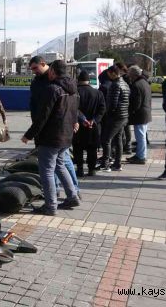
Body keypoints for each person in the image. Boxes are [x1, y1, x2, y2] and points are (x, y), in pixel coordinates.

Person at [22, 58, 79, 215]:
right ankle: (72, 196)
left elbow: (43, 116)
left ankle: (50, 205)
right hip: (66, 135)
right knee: (60, 166)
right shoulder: (73, 89)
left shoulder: (53, 89)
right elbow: (74, 111)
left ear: (52, 71)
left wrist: (29, 135)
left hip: (51, 136)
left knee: (47, 170)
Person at [74, 70, 106, 177]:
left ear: (78, 80)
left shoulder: (75, 92)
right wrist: (94, 120)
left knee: (78, 148)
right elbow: (102, 109)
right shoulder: (98, 93)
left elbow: (73, 109)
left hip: (78, 125)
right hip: (93, 126)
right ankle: (91, 169)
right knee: (92, 148)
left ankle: (80, 169)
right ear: (89, 81)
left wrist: (82, 120)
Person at [100, 65, 130, 172]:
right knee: (118, 140)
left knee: (106, 139)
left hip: (115, 117)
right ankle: (117, 164)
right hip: (123, 116)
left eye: (108, 74)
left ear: (113, 73)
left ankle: (106, 164)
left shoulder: (115, 85)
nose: (108, 76)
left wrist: (109, 114)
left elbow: (113, 103)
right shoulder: (125, 84)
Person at [126, 65, 152, 164]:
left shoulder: (136, 85)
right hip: (145, 113)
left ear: (133, 75)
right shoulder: (145, 82)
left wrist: (130, 111)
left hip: (140, 115)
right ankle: (140, 154)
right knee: (142, 136)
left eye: (129, 74)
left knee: (140, 136)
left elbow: (136, 103)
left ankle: (141, 156)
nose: (129, 76)